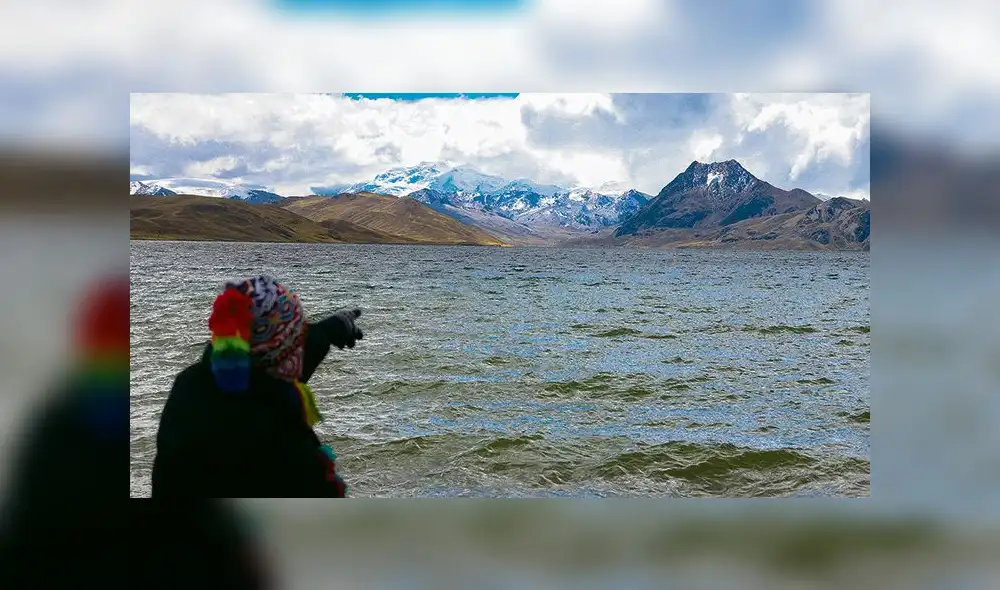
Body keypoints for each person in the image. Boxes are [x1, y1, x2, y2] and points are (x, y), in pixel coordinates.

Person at [151, 275, 363, 498]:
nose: (299, 345)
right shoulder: (281, 432)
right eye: (296, 334)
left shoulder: (191, 385)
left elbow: (262, 367)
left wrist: (327, 331)